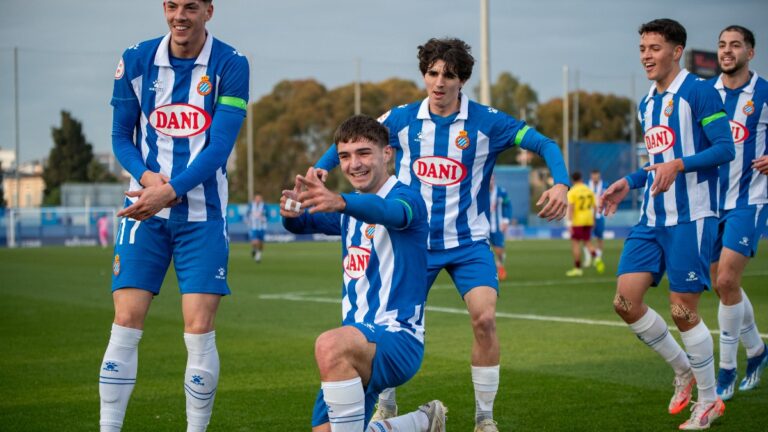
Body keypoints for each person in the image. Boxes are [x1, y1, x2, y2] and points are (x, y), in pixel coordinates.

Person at [315, 38, 569, 432]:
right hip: (412, 243)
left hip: (467, 243)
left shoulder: (487, 121)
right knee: (386, 319)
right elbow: (354, 139)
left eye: (448, 75)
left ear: (462, 79)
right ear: (424, 75)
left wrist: (561, 183)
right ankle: (387, 406)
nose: (438, 82)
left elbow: (544, 143)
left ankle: (484, 417)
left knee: (484, 319)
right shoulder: (401, 118)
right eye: (432, 73)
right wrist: (317, 170)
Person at [98, 1, 249, 431]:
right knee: (125, 323)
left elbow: (219, 147)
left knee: (198, 329)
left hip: (203, 216)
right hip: (144, 211)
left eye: (190, 6)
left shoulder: (231, 64)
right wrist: (148, 180)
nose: (179, 15)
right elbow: (119, 135)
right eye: (171, 5)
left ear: (208, 11)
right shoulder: (135, 59)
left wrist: (169, 191)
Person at [600, 18, 735, 430]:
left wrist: (680, 164)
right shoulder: (647, 103)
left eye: (654, 48)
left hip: (691, 217)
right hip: (651, 218)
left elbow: (725, 149)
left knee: (682, 310)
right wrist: (630, 181)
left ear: (677, 51)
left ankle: (710, 401)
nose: (646, 55)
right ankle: (683, 369)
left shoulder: (700, 92)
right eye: (642, 48)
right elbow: (657, 162)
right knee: (625, 301)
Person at [282, 115, 446, 432]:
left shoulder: (406, 197)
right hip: (358, 341)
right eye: (345, 156)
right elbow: (302, 223)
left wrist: (342, 201)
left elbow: (392, 214)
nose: (354, 164)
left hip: (397, 338)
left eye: (364, 153)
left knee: (329, 345)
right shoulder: (351, 206)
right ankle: (421, 422)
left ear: (387, 154)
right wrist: (291, 212)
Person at [709, 25, 768, 401]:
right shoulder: (704, 93)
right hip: (709, 202)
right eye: (722, 45)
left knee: (728, 280)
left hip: (750, 199)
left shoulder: (764, 93)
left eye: (735, 45)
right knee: (721, 285)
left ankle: (727, 369)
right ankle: (759, 350)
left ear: (751, 52)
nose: (727, 51)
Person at [565, 171, 603, 276]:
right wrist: (594, 219)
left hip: (578, 221)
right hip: (588, 220)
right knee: (587, 242)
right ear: (581, 178)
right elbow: (595, 207)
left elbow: (571, 208)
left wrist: (569, 223)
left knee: (575, 244)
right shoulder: (588, 190)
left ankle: (577, 269)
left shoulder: (572, 191)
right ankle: (596, 258)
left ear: (572, 180)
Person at [489, 174, 512, 281]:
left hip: (497, 226)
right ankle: (488, 271)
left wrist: (506, 220)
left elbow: (507, 205)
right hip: (482, 227)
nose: (490, 181)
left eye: (492, 179)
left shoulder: (501, 192)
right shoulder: (479, 191)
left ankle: (500, 265)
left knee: (499, 251)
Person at [583, 169, 605, 267]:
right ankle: (587, 259)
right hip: (588, 215)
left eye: (597, 175)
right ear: (591, 176)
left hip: (600, 216)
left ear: (599, 176)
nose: (595, 177)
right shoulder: (586, 185)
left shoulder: (604, 185)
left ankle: (597, 259)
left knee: (599, 238)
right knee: (586, 238)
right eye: (593, 175)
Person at [247, 194, 267, 262]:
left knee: (260, 243)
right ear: (254, 199)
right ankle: (254, 250)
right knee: (255, 242)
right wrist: (248, 221)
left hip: (262, 227)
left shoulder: (264, 206)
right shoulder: (251, 206)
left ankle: (258, 255)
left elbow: (268, 215)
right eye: (257, 198)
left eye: (259, 198)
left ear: (261, 199)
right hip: (254, 227)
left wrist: (264, 218)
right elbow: (247, 214)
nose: (258, 200)